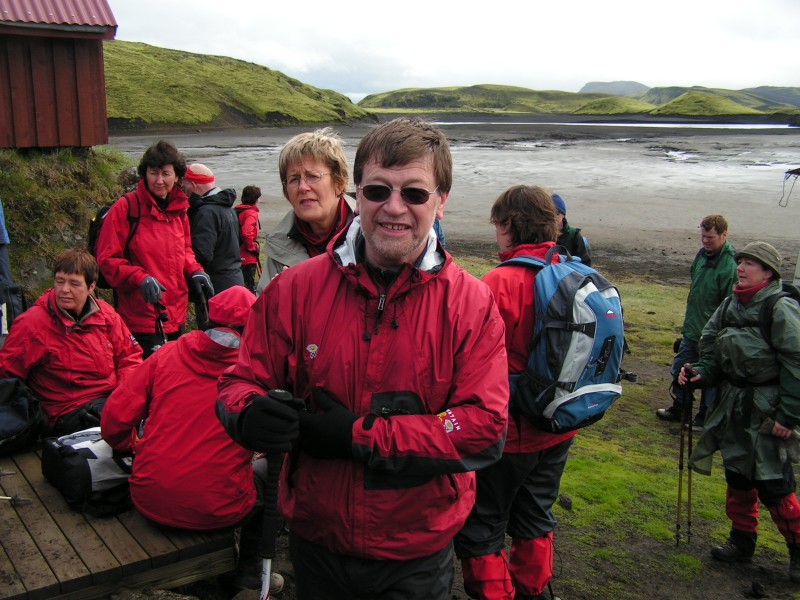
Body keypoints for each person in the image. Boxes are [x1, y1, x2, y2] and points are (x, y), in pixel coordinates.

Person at [217, 117, 509, 599]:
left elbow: (483, 427)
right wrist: (249, 414)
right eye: (377, 190)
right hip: (316, 540)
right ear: (358, 194)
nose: (393, 207)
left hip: (416, 553)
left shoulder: (471, 305)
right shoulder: (295, 289)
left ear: (441, 200)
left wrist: (358, 436)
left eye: (414, 193)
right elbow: (239, 382)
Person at [100, 285, 283, 593]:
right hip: (219, 510)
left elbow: (114, 418)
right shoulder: (257, 371)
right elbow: (273, 437)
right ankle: (250, 574)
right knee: (275, 473)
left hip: (148, 497)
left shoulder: (168, 353)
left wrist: (129, 446)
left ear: (208, 319)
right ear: (253, 328)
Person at [454, 185, 575, 600]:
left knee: (483, 524)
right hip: (560, 425)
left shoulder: (499, 283)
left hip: (509, 433)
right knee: (536, 514)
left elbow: (470, 360)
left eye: (497, 224)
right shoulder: (571, 271)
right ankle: (534, 591)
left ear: (509, 225)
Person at [682, 241, 800, 583]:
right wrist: (701, 373)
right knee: (738, 477)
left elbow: (796, 363)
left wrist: (787, 416)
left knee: (774, 485)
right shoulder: (731, 303)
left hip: (767, 408)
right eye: (741, 261)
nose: (741, 268)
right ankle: (742, 540)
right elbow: (711, 348)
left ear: (769, 273)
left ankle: (798, 550)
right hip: (732, 406)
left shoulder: (779, 307)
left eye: (750, 263)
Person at [0, 249, 142, 435]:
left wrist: (124, 394)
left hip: (113, 397)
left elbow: (130, 356)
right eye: (59, 281)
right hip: (67, 410)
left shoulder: (106, 314)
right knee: (125, 430)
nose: (64, 289)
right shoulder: (32, 324)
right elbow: (7, 374)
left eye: (74, 284)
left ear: (91, 287)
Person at [96, 140, 214, 358]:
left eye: (166, 174)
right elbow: (107, 260)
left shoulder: (180, 209)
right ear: (145, 174)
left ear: (177, 177)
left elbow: (185, 249)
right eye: (153, 173)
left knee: (173, 373)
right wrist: (140, 278)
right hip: (140, 317)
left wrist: (195, 270)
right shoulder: (127, 207)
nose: (159, 181)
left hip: (175, 313)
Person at [656, 214, 737, 427]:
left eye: (710, 237)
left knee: (709, 378)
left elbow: (731, 306)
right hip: (692, 330)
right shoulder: (702, 255)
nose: (705, 241)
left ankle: (704, 418)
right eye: (703, 236)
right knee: (680, 369)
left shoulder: (730, 265)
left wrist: (721, 335)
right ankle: (680, 409)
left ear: (724, 235)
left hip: (712, 336)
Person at [255, 127, 355, 291]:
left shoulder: (369, 235)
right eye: (294, 179)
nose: (302, 187)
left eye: (313, 176)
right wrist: (277, 299)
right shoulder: (280, 244)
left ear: (339, 183)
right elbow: (261, 304)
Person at [183, 163, 244, 293]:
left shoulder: (206, 212)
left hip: (216, 285)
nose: (183, 191)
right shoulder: (228, 207)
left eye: (184, 185)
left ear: (193, 185)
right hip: (234, 279)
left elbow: (202, 254)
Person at [235, 185, 262, 293]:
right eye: (258, 198)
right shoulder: (251, 213)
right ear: (255, 199)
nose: (259, 200)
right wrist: (252, 247)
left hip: (235, 251)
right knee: (249, 286)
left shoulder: (237, 210)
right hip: (247, 255)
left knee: (239, 284)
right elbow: (247, 233)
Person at [551, 193, 591, 265]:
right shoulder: (541, 235)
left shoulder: (574, 236)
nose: (553, 217)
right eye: (550, 213)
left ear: (563, 215)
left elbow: (585, 263)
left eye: (556, 213)